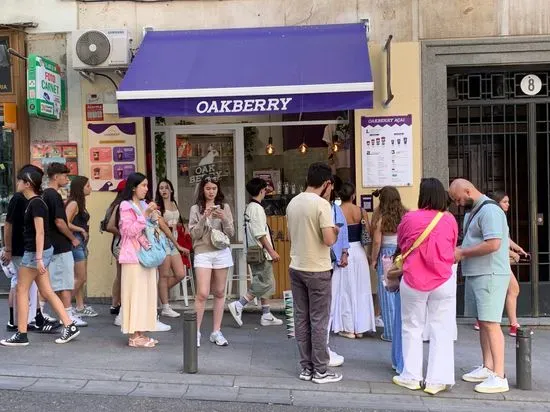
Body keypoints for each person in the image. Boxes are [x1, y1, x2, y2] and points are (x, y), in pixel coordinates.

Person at [392, 178, 458, 395]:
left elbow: (401, 245)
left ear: (422, 195)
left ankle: (411, 376)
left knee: (412, 327)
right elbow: (452, 246)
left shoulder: (409, 218)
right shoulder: (449, 220)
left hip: (413, 280)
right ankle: (437, 380)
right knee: (441, 328)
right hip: (443, 280)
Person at [1, 167, 80, 346]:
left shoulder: (36, 203)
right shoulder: (35, 201)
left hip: (34, 253)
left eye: (20, 180)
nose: (18, 183)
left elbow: (40, 232)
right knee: (46, 291)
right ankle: (69, 325)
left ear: (27, 183)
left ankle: (21, 334)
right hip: (39, 252)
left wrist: (37, 258)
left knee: (21, 290)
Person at [450, 178, 510, 394]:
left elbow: (494, 244)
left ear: (468, 191)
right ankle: (488, 367)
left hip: (490, 273)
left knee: (491, 323)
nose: (457, 204)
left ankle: (499, 375)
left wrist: (463, 252)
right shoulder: (474, 210)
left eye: (458, 199)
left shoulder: (489, 211)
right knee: (483, 322)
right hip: (479, 272)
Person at [286, 162, 342, 384]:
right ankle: (320, 370)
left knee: (301, 318)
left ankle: (305, 368)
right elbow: (328, 240)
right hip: (318, 269)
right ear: (327, 183)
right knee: (319, 320)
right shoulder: (322, 205)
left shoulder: (293, 203)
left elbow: (292, 235)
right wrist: (336, 232)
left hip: (296, 266)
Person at [3, 164, 58, 333]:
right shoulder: (19, 199)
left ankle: (30, 319)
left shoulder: (31, 200)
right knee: (22, 286)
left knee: (29, 286)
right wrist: (9, 248)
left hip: (28, 249)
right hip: (22, 249)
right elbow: (9, 224)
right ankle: (24, 321)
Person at [228, 178, 283, 327]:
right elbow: (260, 233)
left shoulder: (250, 207)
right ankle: (239, 304)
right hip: (261, 252)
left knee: (262, 280)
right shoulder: (257, 208)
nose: (265, 192)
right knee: (266, 282)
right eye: (265, 189)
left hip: (253, 251)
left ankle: (266, 314)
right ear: (261, 190)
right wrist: (271, 251)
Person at [472, 190, 527, 337]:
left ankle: (486, 320)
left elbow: (504, 239)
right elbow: (494, 242)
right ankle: (511, 324)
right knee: (512, 289)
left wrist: (517, 248)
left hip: (498, 262)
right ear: (496, 202)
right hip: (497, 263)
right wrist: (512, 253)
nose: (508, 204)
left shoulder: (496, 216)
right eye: (504, 202)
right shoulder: (493, 215)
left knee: (509, 290)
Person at [117, 172, 162, 348]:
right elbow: (128, 231)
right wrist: (145, 214)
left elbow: (151, 226)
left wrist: (153, 216)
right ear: (134, 187)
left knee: (146, 294)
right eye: (143, 185)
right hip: (133, 256)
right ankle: (134, 335)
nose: (146, 189)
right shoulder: (125, 206)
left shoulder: (143, 204)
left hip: (147, 253)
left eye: (147, 185)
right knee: (135, 294)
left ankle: (141, 332)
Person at [189, 175, 234, 347]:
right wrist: (203, 218)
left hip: (221, 251)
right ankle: (196, 332)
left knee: (220, 291)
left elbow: (231, 232)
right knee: (202, 292)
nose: (211, 192)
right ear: (202, 189)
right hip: (203, 251)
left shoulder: (224, 207)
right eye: (208, 188)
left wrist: (224, 218)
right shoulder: (195, 208)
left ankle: (216, 331)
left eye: (214, 188)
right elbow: (194, 234)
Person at [41, 163, 87, 326]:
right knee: (64, 282)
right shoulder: (53, 195)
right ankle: (66, 315)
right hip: (60, 245)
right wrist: (72, 238)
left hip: (54, 244)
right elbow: (60, 222)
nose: (67, 179)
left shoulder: (47, 194)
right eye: (65, 175)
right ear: (55, 176)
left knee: (54, 282)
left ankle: (40, 313)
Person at [331, 182, 376, 339]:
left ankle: (347, 327)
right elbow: (368, 232)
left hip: (343, 251)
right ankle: (361, 327)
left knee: (344, 289)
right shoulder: (361, 211)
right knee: (361, 288)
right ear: (353, 195)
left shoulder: (336, 210)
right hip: (359, 251)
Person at [371, 186, 407, 373]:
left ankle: (390, 332)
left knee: (387, 294)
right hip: (402, 255)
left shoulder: (380, 216)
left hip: (385, 255)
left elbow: (377, 241)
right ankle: (400, 332)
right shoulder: (406, 214)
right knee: (401, 294)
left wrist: (373, 259)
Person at [155, 179, 191, 318]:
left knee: (180, 273)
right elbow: (162, 226)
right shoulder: (158, 207)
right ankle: (165, 306)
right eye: (161, 188)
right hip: (163, 242)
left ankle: (159, 292)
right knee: (163, 274)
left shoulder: (174, 203)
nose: (163, 190)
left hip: (175, 240)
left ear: (171, 190)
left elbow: (177, 222)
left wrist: (184, 227)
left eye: (166, 187)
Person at [66, 176, 95, 316]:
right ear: (80, 187)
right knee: (80, 277)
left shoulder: (79, 203)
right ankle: (64, 307)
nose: (90, 188)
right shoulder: (74, 204)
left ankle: (79, 306)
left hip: (81, 242)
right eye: (88, 185)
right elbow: (65, 223)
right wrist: (80, 230)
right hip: (76, 241)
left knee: (80, 277)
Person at [104, 180, 126, 324]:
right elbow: (109, 226)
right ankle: (122, 305)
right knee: (125, 275)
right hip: (121, 243)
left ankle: (115, 304)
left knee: (120, 274)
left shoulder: (114, 204)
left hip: (116, 244)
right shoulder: (120, 206)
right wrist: (123, 234)